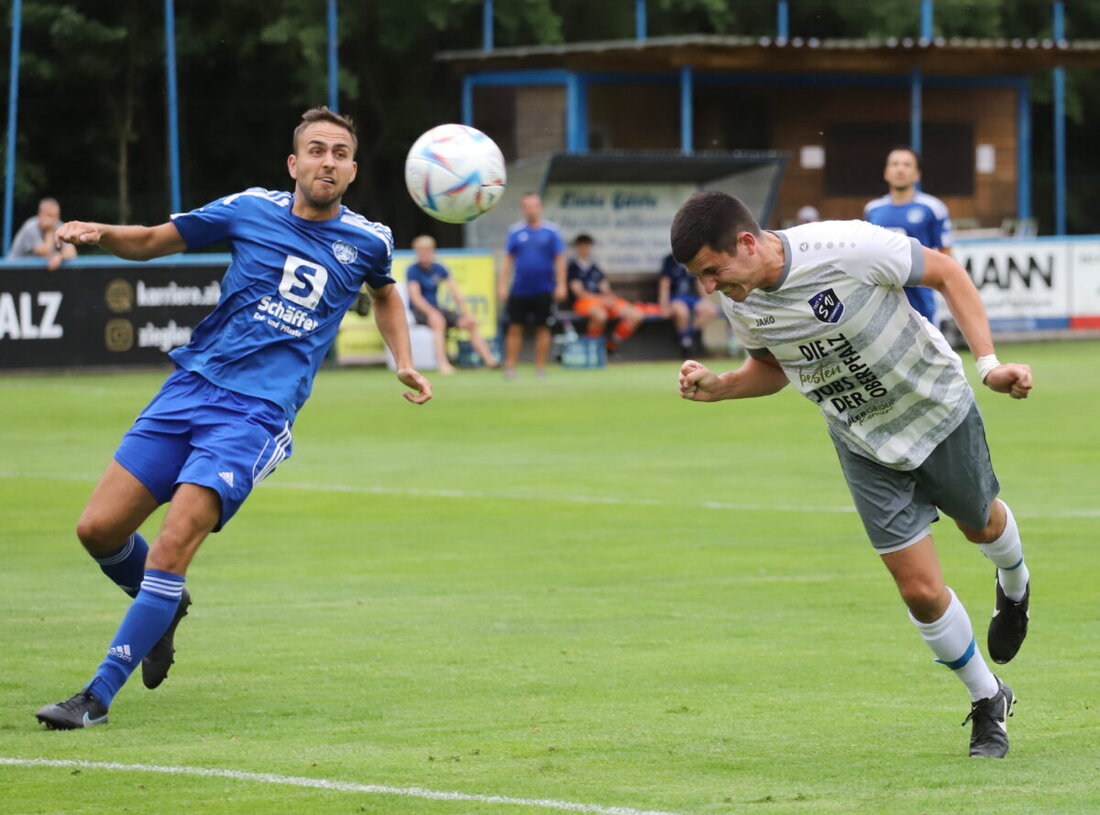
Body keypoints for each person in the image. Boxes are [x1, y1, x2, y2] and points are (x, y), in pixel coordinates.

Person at [35, 107, 432, 730]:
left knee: (172, 545)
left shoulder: (370, 240)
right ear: (293, 163)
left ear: (352, 170)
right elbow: (150, 241)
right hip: (188, 390)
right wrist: (102, 233)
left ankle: (95, 697)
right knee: (97, 530)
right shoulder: (249, 208)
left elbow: (384, 292)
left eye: (339, 153)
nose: (327, 161)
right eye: (316, 150)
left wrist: (403, 360)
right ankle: (162, 610)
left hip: (255, 415)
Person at [671, 191, 1032, 759]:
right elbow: (771, 369)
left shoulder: (849, 247)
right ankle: (989, 697)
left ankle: (1015, 585)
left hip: (936, 410)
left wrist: (989, 365)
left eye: (712, 272)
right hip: (862, 441)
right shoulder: (740, 299)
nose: (710, 288)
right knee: (917, 589)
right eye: (701, 278)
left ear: (746, 242)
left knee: (982, 528)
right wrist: (723, 387)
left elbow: (947, 273)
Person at [864, 146, 954, 324]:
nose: (900, 169)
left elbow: (946, 254)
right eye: (895, 164)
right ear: (886, 172)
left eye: (907, 164)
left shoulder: (932, 208)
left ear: (917, 174)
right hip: (881, 298)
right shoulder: (873, 210)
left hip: (920, 297)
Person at [406, 234, 499, 373]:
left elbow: (456, 292)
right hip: (420, 311)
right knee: (439, 322)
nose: (424, 254)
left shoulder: (439, 268)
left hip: (437, 308)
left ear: (433, 251)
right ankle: (443, 364)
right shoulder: (412, 270)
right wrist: (432, 313)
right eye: (421, 251)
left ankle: (489, 361)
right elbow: (415, 297)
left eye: (427, 250)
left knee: (470, 323)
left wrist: (466, 313)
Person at [497, 192, 566, 379]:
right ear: (523, 209)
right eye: (527, 206)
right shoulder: (515, 232)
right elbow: (507, 260)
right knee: (514, 327)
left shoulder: (551, 232)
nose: (531, 209)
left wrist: (561, 284)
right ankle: (510, 368)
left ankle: (540, 368)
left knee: (543, 328)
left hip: (544, 289)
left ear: (540, 207)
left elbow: (559, 259)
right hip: (520, 289)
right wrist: (502, 285)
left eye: (534, 205)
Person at [566, 234, 642, 356]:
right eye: (582, 245)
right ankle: (592, 351)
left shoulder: (594, 267)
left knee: (635, 315)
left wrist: (610, 298)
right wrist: (601, 300)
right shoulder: (573, 267)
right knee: (600, 315)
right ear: (577, 247)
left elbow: (605, 288)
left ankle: (611, 345)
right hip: (583, 303)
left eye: (588, 245)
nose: (585, 248)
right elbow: (579, 293)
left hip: (601, 301)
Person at [658, 252, 718, 358]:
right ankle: (685, 344)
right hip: (676, 297)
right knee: (681, 311)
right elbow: (665, 284)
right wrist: (664, 305)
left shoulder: (691, 259)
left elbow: (698, 282)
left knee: (710, 310)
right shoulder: (669, 260)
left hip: (691, 298)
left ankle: (690, 335)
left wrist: (706, 299)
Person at [6, 197, 78, 270]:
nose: (53, 220)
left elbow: (72, 252)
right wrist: (49, 231)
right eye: (49, 215)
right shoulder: (30, 228)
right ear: (40, 214)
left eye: (56, 216)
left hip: (36, 272)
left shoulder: (59, 225)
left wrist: (60, 256)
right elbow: (45, 254)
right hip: (16, 270)